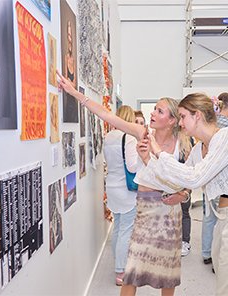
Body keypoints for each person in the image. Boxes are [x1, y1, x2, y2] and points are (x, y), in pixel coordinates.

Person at [57, 71, 191, 296]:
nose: (153, 113)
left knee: (168, 273)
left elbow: (188, 180)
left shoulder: (183, 143)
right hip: (146, 209)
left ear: (172, 120)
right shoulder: (142, 133)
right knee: (132, 271)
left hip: (170, 214)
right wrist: (75, 94)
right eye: (154, 109)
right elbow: (108, 116)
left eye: (160, 111)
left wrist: (184, 195)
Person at [137, 93, 228, 296]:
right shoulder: (198, 149)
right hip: (221, 218)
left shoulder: (224, 138)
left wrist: (159, 153)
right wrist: (148, 160)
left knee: (225, 281)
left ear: (197, 116)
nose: (180, 122)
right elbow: (178, 180)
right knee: (222, 274)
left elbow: (195, 177)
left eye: (183, 116)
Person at [103, 105, 138, 286]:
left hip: (111, 186)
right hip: (126, 189)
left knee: (118, 226)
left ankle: (118, 260)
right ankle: (120, 271)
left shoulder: (108, 137)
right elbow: (132, 166)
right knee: (126, 229)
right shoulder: (129, 138)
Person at [201, 92, 228, 269]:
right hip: (224, 179)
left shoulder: (211, 123)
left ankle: (206, 253)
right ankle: (217, 259)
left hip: (208, 174)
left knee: (209, 216)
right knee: (223, 220)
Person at [62, 20, 78, 122]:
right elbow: (66, 81)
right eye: (68, 35)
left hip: (74, 99)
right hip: (69, 99)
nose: (69, 38)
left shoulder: (73, 60)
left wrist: (70, 83)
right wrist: (70, 84)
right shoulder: (66, 58)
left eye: (70, 35)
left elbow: (74, 84)